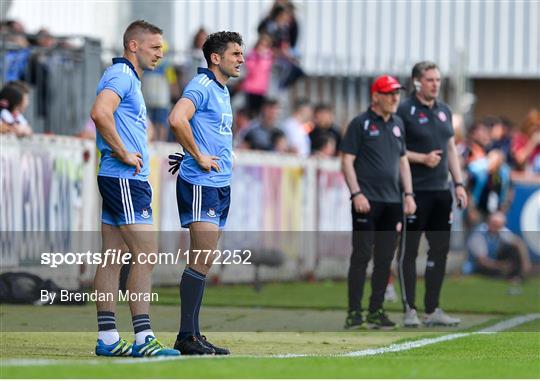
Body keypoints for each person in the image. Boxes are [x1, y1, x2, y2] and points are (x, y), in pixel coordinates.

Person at [90, 20, 179, 357]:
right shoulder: (122, 76)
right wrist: (123, 151)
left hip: (120, 177)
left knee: (113, 257)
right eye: (155, 47)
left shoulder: (129, 79)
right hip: (125, 178)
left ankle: (109, 339)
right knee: (146, 254)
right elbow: (100, 113)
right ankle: (144, 338)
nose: (161, 53)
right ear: (133, 46)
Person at [168, 31, 244, 355]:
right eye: (235, 53)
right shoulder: (200, 86)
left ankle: (193, 334)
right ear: (216, 57)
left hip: (219, 184)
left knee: (205, 259)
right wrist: (197, 155)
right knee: (200, 257)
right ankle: (186, 335)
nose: (241, 59)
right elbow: (177, 118)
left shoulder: (222, 90)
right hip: (201, 183)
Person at [340, 75, 416, 329]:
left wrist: (408, 194)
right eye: (390, 93)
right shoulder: (360, 124)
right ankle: (354, 312)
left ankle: (376, 310)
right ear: (376, 96)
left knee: (385, 258)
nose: (395, 98)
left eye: (397, 93)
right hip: (367, 201)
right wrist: (356, 193)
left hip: (393, 202)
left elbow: (403, 160)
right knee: (361, 255)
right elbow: (347, 160)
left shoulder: (397, 124)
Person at [396, 61, 468, 328]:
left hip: (440, 192)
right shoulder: (404, 110)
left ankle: (432, 308)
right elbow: (395, 149)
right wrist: (421, 158)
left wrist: (458, 183)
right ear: (417, 82)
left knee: (439, 250)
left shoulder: (444, 111)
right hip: (415, 191)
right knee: (409, 251)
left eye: (437, 79)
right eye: (429, 80)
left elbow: (450, 148)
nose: (435, 84)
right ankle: (409, 309)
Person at [464, 212, 531, 287]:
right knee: (495, 272)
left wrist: (525, 262)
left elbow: (518, 243)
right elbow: (481, 261)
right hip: (478, 265)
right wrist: (500, 266)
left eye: (499, 226)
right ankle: (507, 276)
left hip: (493, 261)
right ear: (489, 222)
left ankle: (516, 276)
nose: (496, 228)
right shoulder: (478, 235)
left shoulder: (500, 231)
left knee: (513, 250)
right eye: (494, 224)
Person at [512, 108, 540, 173]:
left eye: (539, 126)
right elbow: (520, 159)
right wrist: (533, 142)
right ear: (527, 125)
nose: (537, 128)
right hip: (528, 172)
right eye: (534, 125)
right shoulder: (520, 137)